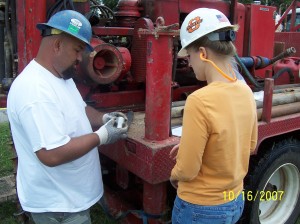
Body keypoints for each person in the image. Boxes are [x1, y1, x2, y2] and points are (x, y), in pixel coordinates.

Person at [7, 10, 128, 224]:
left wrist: (104, 118)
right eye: (78, 49)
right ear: (57, 45)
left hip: (70, 198)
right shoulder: (35, 90)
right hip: (59, 206)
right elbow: (51, 154)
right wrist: (103, 136)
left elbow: (80, 109)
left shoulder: (59, 76)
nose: (81, 58)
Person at [169, 8, 258, 224]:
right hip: (234, 199)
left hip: (200, 208)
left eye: (189, 56)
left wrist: (174, 175)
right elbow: (250, 145)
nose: (189, 63)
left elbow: (188, 170)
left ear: (203, 53)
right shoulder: (246, 90)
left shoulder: (199, 101)